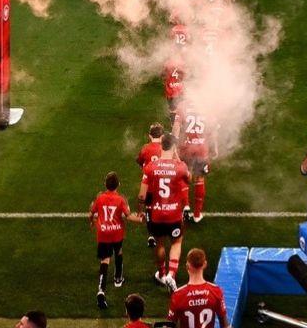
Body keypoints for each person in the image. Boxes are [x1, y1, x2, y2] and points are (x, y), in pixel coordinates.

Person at [140, 133, 191, 292]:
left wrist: (142, 210)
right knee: (176, 242)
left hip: (156, 214)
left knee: (160, 244)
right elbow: (188, 179)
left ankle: (161, 274)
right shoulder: (180, 167)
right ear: (174, 146)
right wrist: (178, 159)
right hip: (174, 214)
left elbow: (142, 195)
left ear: (161, 145)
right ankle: (172, 274)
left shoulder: (150, 167)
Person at [89, 171, 141, 310]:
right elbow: (128, 216)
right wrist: (141, 219)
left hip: (103, 233)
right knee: (118, 252)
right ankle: (118, 279)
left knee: (105, 260)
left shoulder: (100, 198)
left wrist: (92, 222)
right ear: (118, 184)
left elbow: (92, 212)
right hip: (117, 233)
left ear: (105, 184)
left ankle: (101, 290)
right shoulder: (120, 199)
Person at [168, 248, 230, 328]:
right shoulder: (216, 291)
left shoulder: (178, 295)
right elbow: (225, 325)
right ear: (205, 264)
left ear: (187, 265)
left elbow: (169, 325)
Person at [175, 100, 214, 223]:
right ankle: (197, 214)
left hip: (186, 148)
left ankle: (185, 205)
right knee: (199, 179)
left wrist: (174, 144)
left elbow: (176, 127)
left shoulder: (182, 105)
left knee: (183, 176)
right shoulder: (207, 105)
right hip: (201, 149)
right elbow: (213, 131)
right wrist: (214, 147)